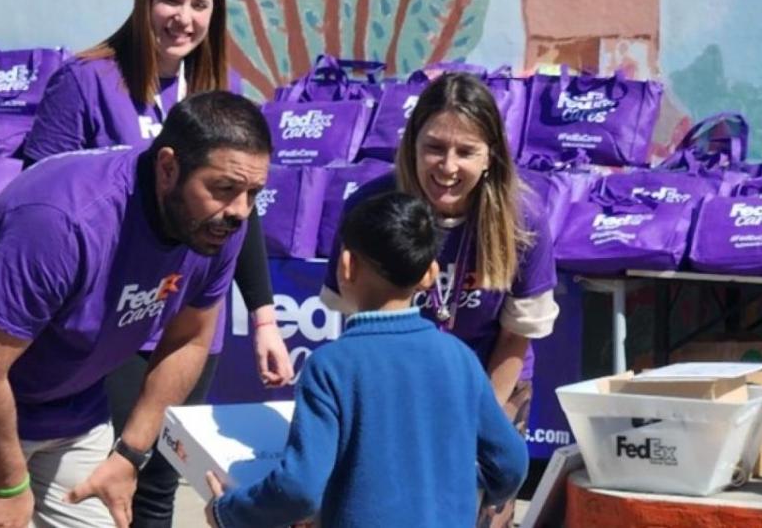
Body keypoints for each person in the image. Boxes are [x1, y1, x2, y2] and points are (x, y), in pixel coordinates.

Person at [0, 91, 272, 528]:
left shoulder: (217, 226)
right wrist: (9, 487)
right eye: (224, 189)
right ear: (168, 168)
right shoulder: (63, 222)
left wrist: (131, 454)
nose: (240, 212)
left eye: (253, 193)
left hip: (71, 403)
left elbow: (189, 340)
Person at [21, 0, 293, 527]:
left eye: (200, 5)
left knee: (159, 487)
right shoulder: (87, 80)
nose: (184, 18)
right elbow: (36, 197)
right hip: (107, 325)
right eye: (172, 0)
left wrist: (264, 318)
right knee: (109, 480)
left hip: (190, 323)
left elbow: (242, 209)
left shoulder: (215, 96)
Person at [204, 191, 529, 527]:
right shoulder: (459, 358)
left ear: (346, 265)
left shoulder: (331, 366)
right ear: (429, 274)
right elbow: (510, 463)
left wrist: (228, 512)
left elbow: (299, 489)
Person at [319, 72, 558, 528]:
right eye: (434, 146)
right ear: (412, 143)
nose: (447, 166)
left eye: (466, 151)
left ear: (491, 157)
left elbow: (515, 339)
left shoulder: (523, 220)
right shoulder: (372, 207)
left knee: (480, 510)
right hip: (397, 387)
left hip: (492, 381)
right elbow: (355, 320)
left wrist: (474, 421)